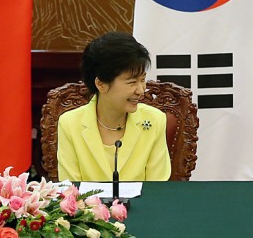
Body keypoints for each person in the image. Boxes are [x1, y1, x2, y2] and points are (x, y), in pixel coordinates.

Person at [57, 32, 171, 181]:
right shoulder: (70, 124)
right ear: (101, 84)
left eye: (142, 80)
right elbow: (70, 192)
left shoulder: (155, 120)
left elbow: (158, 190)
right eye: (131, 82)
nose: (141, 90)